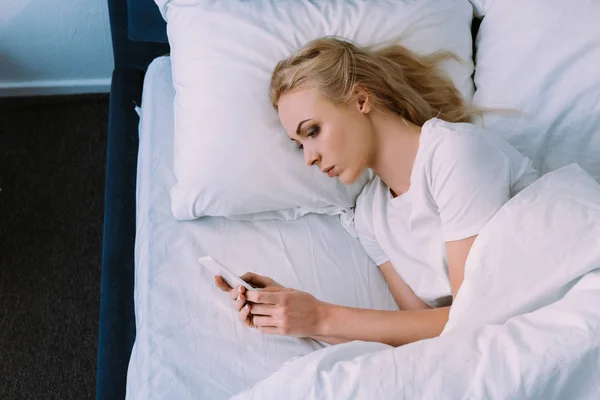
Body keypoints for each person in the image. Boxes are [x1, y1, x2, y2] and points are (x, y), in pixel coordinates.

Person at [214, 37, 539, 347]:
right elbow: (421, 331)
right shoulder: (370, 215)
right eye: (299, 145)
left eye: (312, 131)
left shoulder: (453, 153)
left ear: (361, 99)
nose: (309, 157)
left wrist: (321, 317)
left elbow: (473, 318)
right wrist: (297, 317)